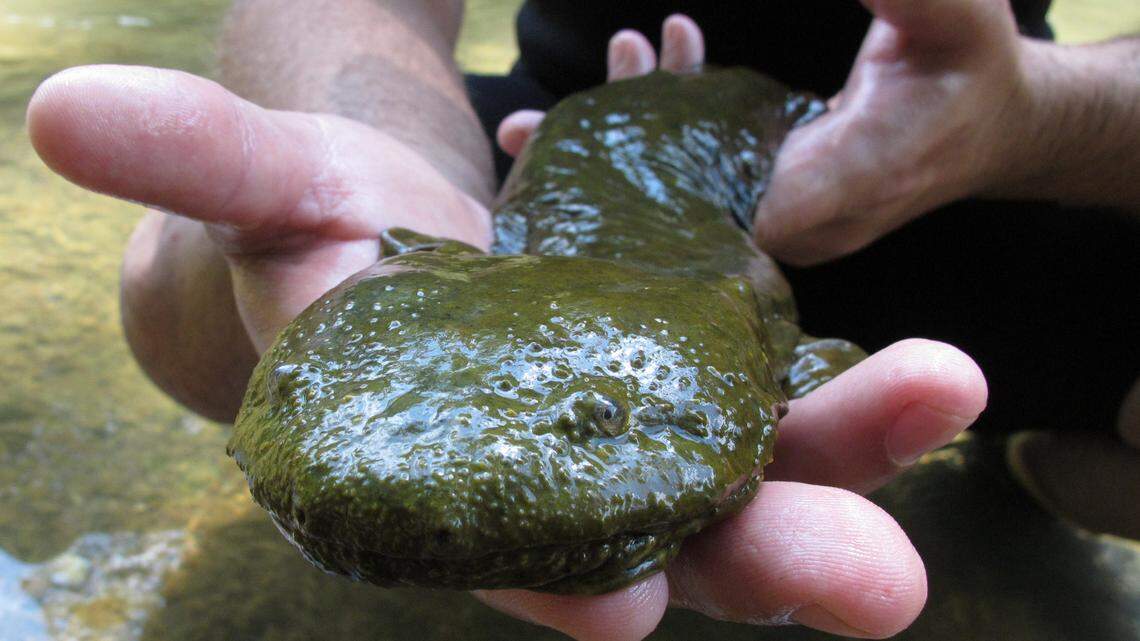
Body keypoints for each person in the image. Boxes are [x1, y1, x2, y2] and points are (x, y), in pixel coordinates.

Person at [23, 0, 1137, 639]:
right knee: (184, 258)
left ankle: (1045, 467)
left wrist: (1031, 110)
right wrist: (412, 153)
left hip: (983, 147)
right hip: (554, 134)